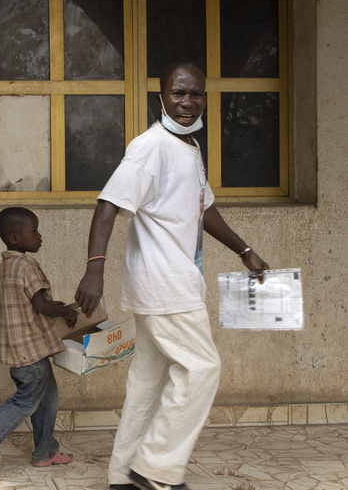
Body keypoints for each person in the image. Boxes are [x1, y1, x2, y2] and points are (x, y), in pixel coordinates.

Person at [74, 62, 270, 490]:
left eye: (195, 94)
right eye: (178, 93)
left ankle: (122, 474)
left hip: (173, 281)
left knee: (147, 383)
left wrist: (245, 250)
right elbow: (108, 204)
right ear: (160, 95)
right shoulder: (150, 147)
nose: (187, 102)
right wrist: (94, 270)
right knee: (203, 368)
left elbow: (204, 208)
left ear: (204, 98)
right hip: (165, 284)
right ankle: (156, 466)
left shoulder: (189, 147)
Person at [0, 207, 78, 476]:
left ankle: (45, 451)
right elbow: (39, 303)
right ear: (14, 238)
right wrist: (66, 311)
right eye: (34, 231)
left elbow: (29, 303)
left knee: (48, 398)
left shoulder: (6, 266)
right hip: (31, 350)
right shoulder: (26, 265)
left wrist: (51, 305)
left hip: (21, 350)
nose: (39, 236)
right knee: (27, 401)